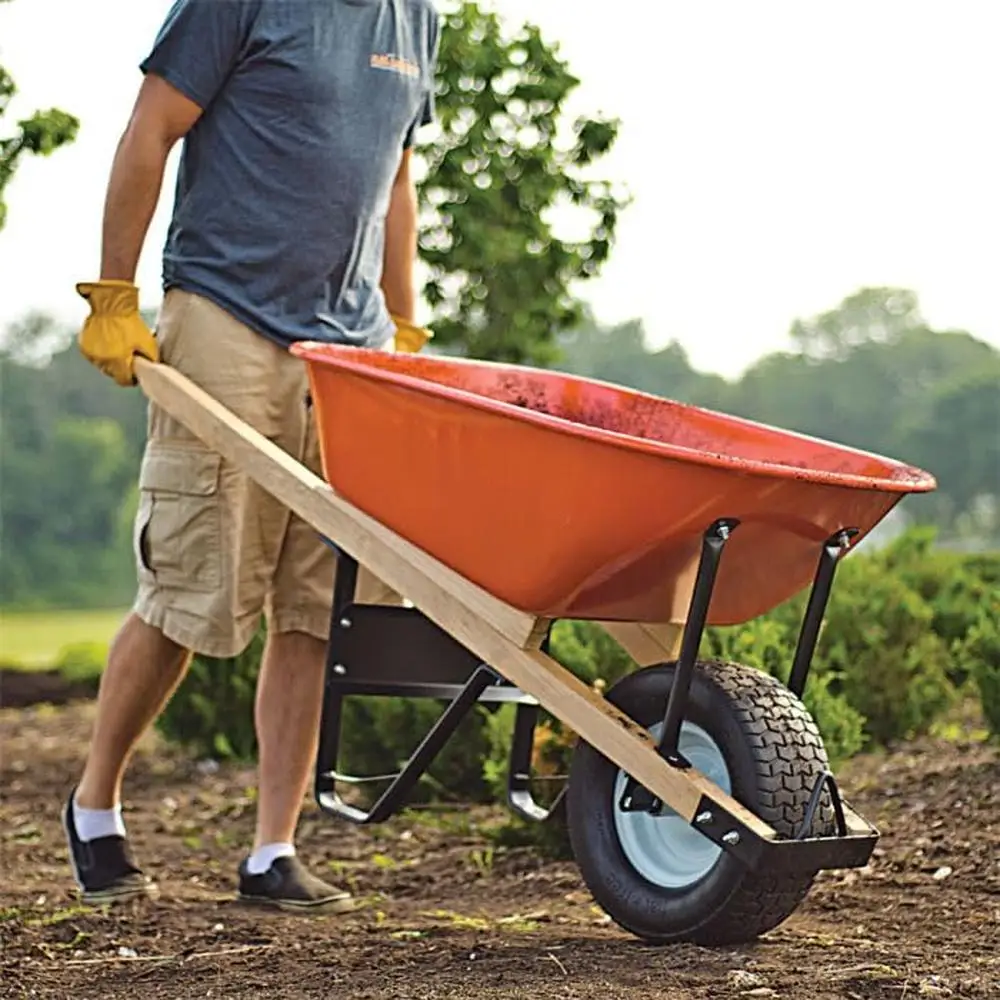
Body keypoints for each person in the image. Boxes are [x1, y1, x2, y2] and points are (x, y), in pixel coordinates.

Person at [64, 0, 440, 915]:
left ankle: (274, 849)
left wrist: (403, 321)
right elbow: (152, 127)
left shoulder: (417, 15)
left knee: (314, 608)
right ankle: (94, 803)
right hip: (226, 318)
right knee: (191, 585)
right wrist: (115, 292)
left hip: (346, 354)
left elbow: (393, 176)